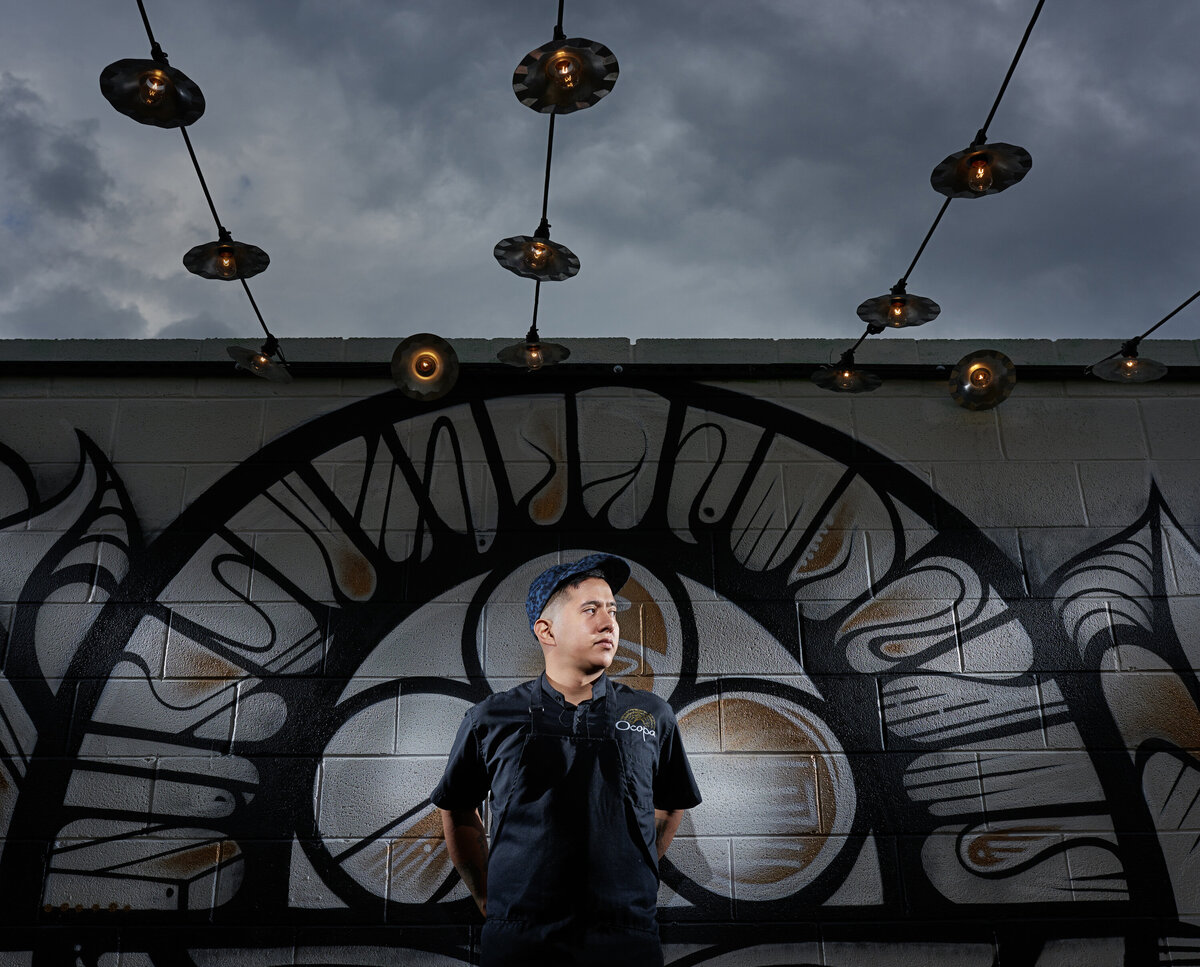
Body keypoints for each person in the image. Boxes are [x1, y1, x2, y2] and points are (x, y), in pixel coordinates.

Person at [431, 553, 702, 967]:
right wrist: (487, 893)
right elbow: (457, 805)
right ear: (546, 630)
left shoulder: (651, 715)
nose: (609, 622)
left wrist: (634, 871)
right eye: (590, 610)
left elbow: (671, 802)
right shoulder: (490, 717)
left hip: (626, 941)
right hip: (520, 942)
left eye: (612, 610)